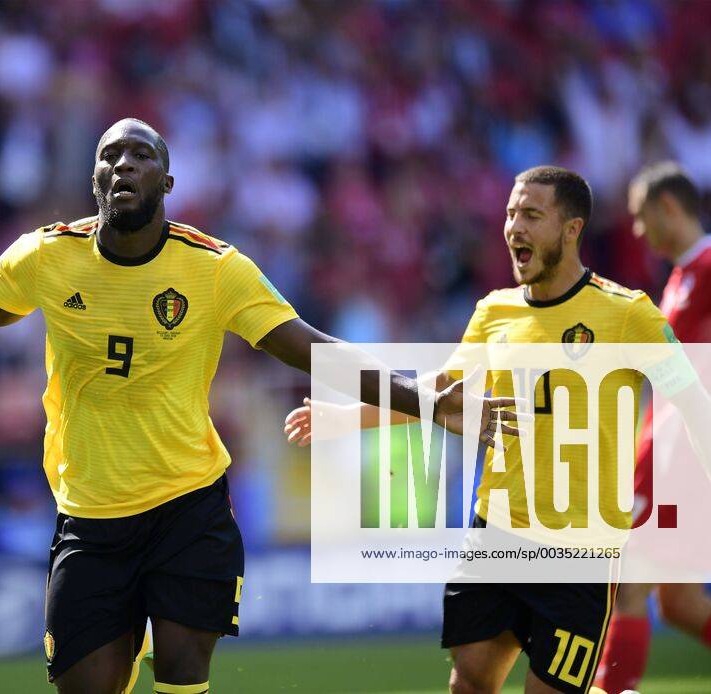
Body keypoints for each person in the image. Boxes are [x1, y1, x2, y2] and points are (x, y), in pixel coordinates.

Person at [0, 118, 512, 694]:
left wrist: (422, 401)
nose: (123, 164)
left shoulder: (217, 271)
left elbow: (309, 347)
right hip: (90, 518)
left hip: (188, 507)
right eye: (109, 156)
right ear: (94, 180)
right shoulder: (48, 257)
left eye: (141, 155)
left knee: (181, 670)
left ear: (168, 182)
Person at [286, 166, 682, 694]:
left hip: (579, 553)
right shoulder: (493, 312)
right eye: (511, 213)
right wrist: (345, 419)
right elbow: (438, 393)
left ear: (571, 229)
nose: (514, 226)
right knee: (468, 684)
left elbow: (694, 404)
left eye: (532, 215)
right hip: (495, 533)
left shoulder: (628, 315)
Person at [593, 162, 711, 694]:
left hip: (679, 455)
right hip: (668, 452)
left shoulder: (707, 267)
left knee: (626, 576)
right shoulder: (685, 276)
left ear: (669, 207)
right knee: (681, 605)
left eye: (641, 217)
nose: (637, 231)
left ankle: (614, 689)